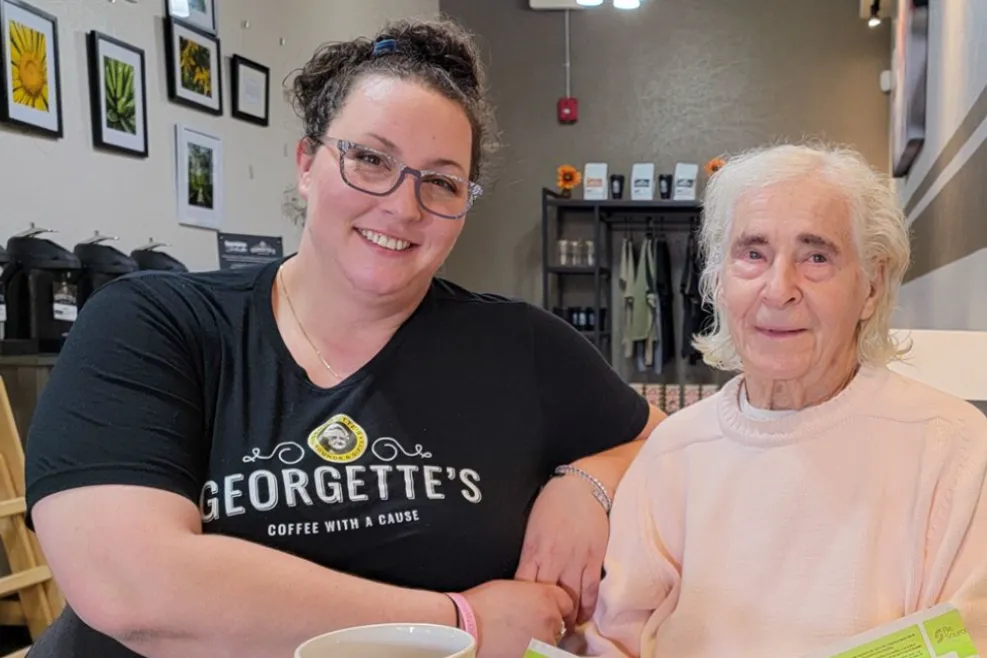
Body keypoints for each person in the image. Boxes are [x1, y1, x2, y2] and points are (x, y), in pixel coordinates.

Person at [23, 17, 664, 658]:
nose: (402, 206)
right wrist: (459, 623)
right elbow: (132, 591)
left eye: (440, 181)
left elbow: (665, 439)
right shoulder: (152, 324)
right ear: (307, 163)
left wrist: (588, 481)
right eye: (370, 159)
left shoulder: (520, 345)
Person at [579, 143, 987, 657]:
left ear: (871, 286)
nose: (779, 289)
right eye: (753, 253)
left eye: (817, 256)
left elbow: (968, 640)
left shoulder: (953, 448)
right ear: (720, 282)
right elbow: (617, 641)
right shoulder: (674, 452)